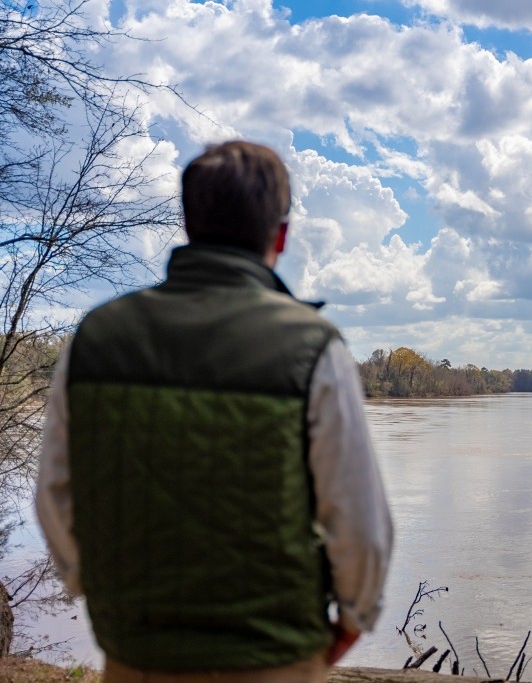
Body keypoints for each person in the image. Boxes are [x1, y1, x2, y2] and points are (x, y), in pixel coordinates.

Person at [36, 141, 393, 681]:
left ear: (187, 222)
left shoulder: (96, 338)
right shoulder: (312, 346)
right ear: (281, 234)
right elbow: (361, 526)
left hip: (135, 656)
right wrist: (352, 621)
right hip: (276, 659)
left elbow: (54, 498)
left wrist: (111, 599)